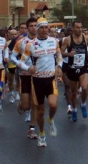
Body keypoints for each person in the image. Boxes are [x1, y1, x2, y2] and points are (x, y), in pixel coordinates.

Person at [18, 18, 63, 147]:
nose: (44, 30)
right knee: (41, 110)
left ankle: (51, 120)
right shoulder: (31, 45)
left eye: (46, 27)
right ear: (37, 29)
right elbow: (21, 62)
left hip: (50, 78)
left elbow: (59, 57)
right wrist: (28, 68)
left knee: (53, 104)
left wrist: (59, 67)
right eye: (41, 28)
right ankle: (42, 134)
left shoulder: (54, 41)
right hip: (37, 81)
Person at [10, 17, 39, 138]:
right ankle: (21, 106)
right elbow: (12, 57)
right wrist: (24, 67)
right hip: (25, 75)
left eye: (35, 25)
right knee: (26, 105)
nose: (33, 28)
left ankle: (31, 128)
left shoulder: (43, 41)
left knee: (36, 103)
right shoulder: (21, 42)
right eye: (31, 26)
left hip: (39, 77)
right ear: (27, 28)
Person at [61, 21, 88, 122]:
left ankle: (83, 104)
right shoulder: (67, 40)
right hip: (72, 68)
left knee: (84, 88)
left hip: (83, 67)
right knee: (74, 93)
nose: (79, 29)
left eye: (80, 27)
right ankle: (74, 110)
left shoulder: (86, 38)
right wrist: (69, 54)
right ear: (73, 28)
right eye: (77, 27)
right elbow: (60, 53)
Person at [4, 29, 19, 104]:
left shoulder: (19, 42)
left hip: (18, 64)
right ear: (9, 35)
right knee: (10, 80)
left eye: (15, 34)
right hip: (10, 65)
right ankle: (12, 93)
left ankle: (17, 92)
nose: (13, 36)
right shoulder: (6, 43)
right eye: (12, 34)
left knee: (18, 80)